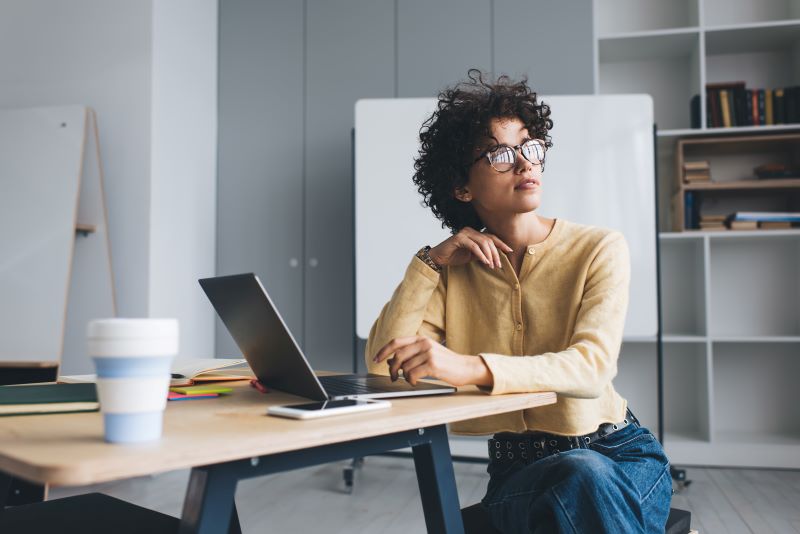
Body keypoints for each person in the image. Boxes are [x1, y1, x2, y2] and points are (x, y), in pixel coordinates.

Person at [365, 70, 672, 533]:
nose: (525, 163)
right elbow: (379, 365)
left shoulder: (599, 248)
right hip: (519, 471)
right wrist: (428, 262)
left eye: (529, 146)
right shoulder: (450, 273)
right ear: (462, 187)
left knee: (584, 476)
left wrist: (470, 367)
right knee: (572, 486)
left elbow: (591, 368)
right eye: (500, 154)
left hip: (620, 457)